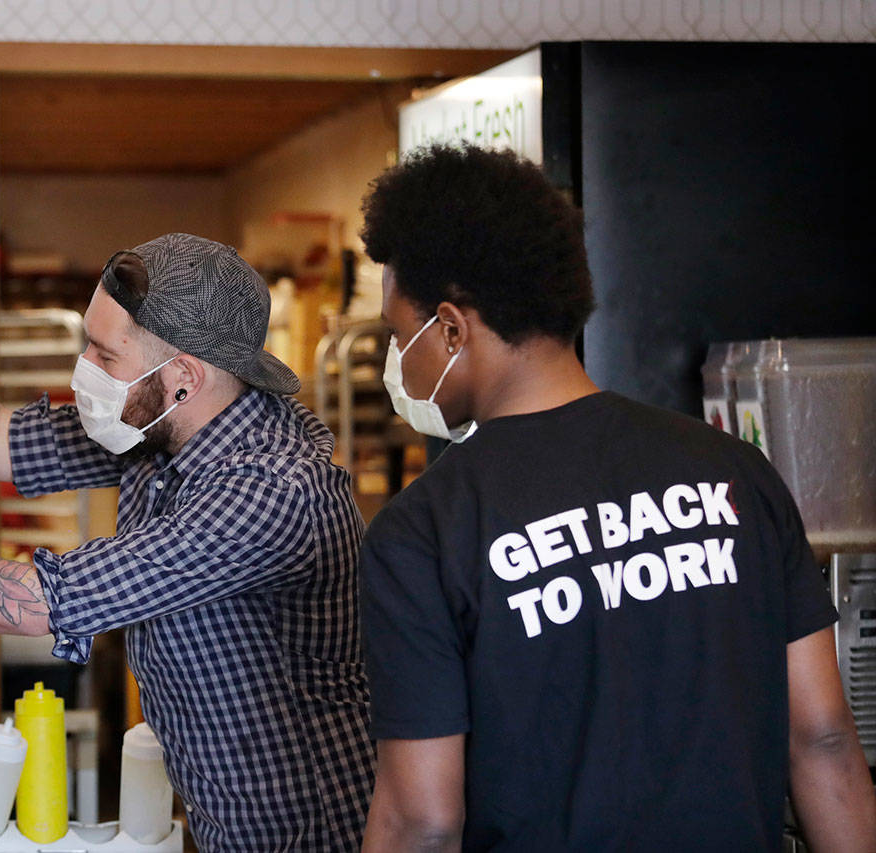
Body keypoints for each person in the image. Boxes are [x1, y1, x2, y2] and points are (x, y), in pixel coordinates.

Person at [0, 232, 374, 850]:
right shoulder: (160, 425)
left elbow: (37, 601)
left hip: (317, 836)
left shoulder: (275, 490)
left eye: (106, 356)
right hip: (225, 827)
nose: (85, 370)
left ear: (184, 376)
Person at [356, 144, 876, 851]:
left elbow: (423, 821)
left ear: (451, 328)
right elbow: (821, 737)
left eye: (398, 332)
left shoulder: (423, 532)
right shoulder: (736, 473)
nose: (399, 359)